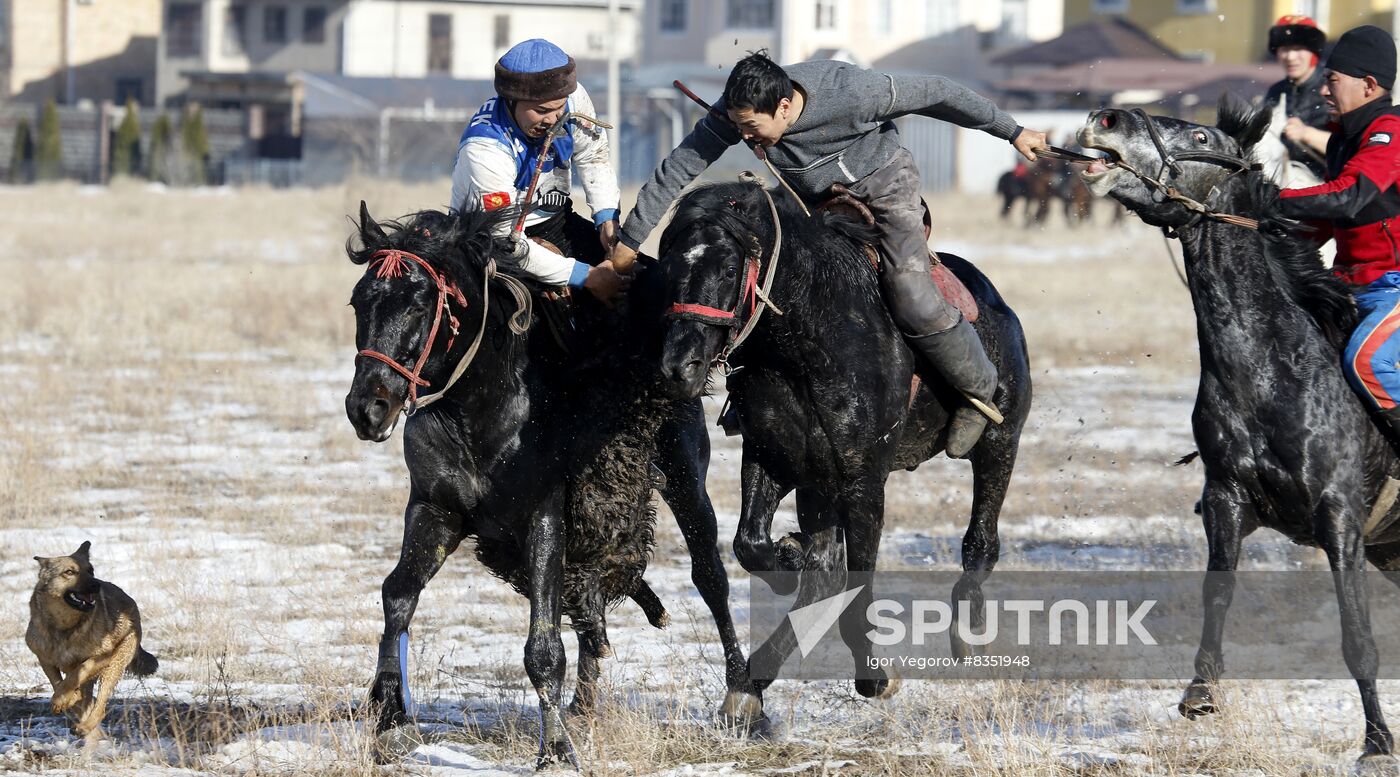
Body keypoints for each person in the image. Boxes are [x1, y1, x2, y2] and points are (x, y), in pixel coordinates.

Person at [608, 52, 1044, 456]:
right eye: (738, 127)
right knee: (766, 281)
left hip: (884, 187)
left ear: (783, 106)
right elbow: (677, 169)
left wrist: (1013, 131)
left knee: (911, 292)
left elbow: (942, 94)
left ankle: (977, 389)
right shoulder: (738, 111)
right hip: (812, 204)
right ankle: (759, 400)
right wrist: (628, 245)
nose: (742, 136)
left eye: (751, 129)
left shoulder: (852, 92)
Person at [1278, 26, 1400, 427]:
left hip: (1393, 286)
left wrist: (1268, 198)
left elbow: (1346, 196)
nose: (1324, 91)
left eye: (1332, 80)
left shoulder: (1391, 132)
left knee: (1367, 363)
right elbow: (1328, 221)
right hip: (1348, 284)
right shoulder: (1341, 140)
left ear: (1368, 85)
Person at [450, 38, 627, 304]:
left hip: (556, 222)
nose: (554, 121)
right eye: (542, 111)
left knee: (649, 285)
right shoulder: (484, 149)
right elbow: (507, 242)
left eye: (559, 109)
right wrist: (587, 276)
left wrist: (607, 219)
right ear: (510, 101)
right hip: (490, 242)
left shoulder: (574, 98)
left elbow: (593, 157)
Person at [1263, 15, 1333, 181]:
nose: (1290, 57)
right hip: (1281, 183)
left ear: (1314, 53)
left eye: (1298, 48)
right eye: (1284, 49)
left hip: (1328, 187)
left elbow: (1355, 146)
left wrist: (1306, 134)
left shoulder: (1332, 88)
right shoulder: (1275, 91)